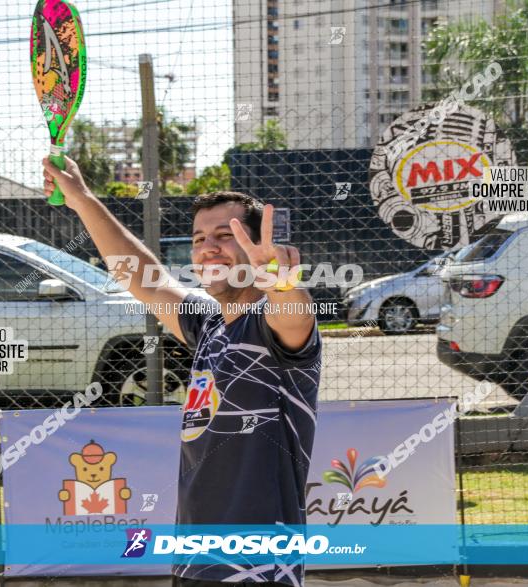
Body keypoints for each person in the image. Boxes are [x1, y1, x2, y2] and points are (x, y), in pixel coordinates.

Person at [43, 157, 322, 586]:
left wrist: (281, 281)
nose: (208, 247)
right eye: (199, 238)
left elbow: (295, 316)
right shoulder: (209, 324)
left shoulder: (271, 324)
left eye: (225, 236)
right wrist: (81, 199)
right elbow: (142, 277)